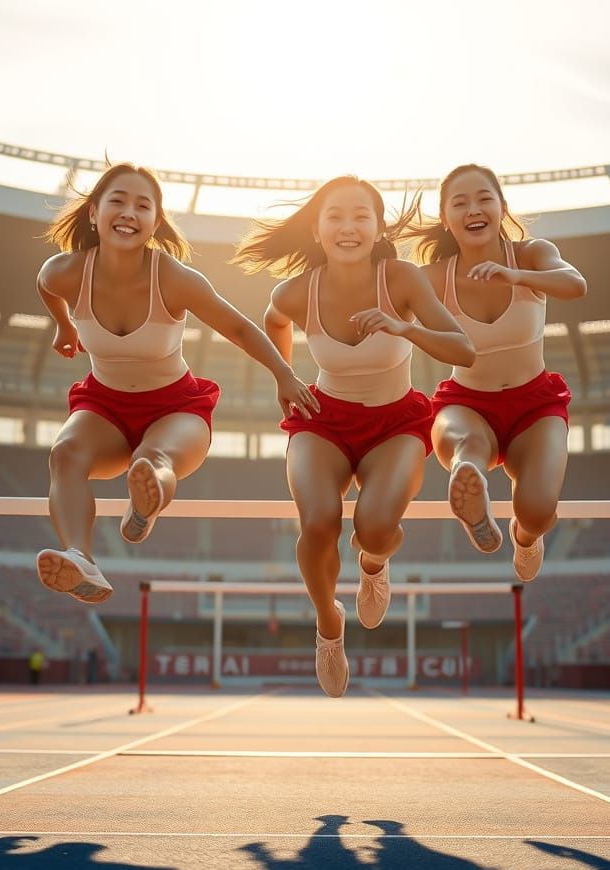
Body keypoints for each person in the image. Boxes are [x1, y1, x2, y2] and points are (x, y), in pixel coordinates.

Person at [233, 175, 474, 697]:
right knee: (318, 522)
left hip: (396, 424)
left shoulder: (403, 278)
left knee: (374, 527)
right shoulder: (296, 292)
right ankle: (327, 625)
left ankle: (373, 564)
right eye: (335, 216)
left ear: (379, 226)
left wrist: (404, 326)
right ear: (317, 230)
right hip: (322, 419)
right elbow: (273, 320)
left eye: (361, 215)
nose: (349, 227)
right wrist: (283, 374)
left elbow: (464, 350)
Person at [35, 163, 317, 603]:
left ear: (154, 224)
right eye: (118, 201)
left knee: (154, 456)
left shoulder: (173, 277)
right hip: (104, 408)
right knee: (65, 453)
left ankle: (147, 500)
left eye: (143, 206)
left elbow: (240, 328)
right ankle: (81, 558)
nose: (129, 212)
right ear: (94, 214)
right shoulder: (66, 272)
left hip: (175, 409)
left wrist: (284, 373)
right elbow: (46, 286)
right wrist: (65, 327)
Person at [404, 163, 586, 581]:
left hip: (534, 406)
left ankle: (526, 537)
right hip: (467, 404)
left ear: (502, 207)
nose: (473, 210)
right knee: (466, 444)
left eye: (484, 199)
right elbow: (383, 303)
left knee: (538, 512)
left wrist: (515, 275)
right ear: (446, 220)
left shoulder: (531, 253)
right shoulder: (433, 278)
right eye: (460, 203)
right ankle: (470, 481)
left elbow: (576, 284)